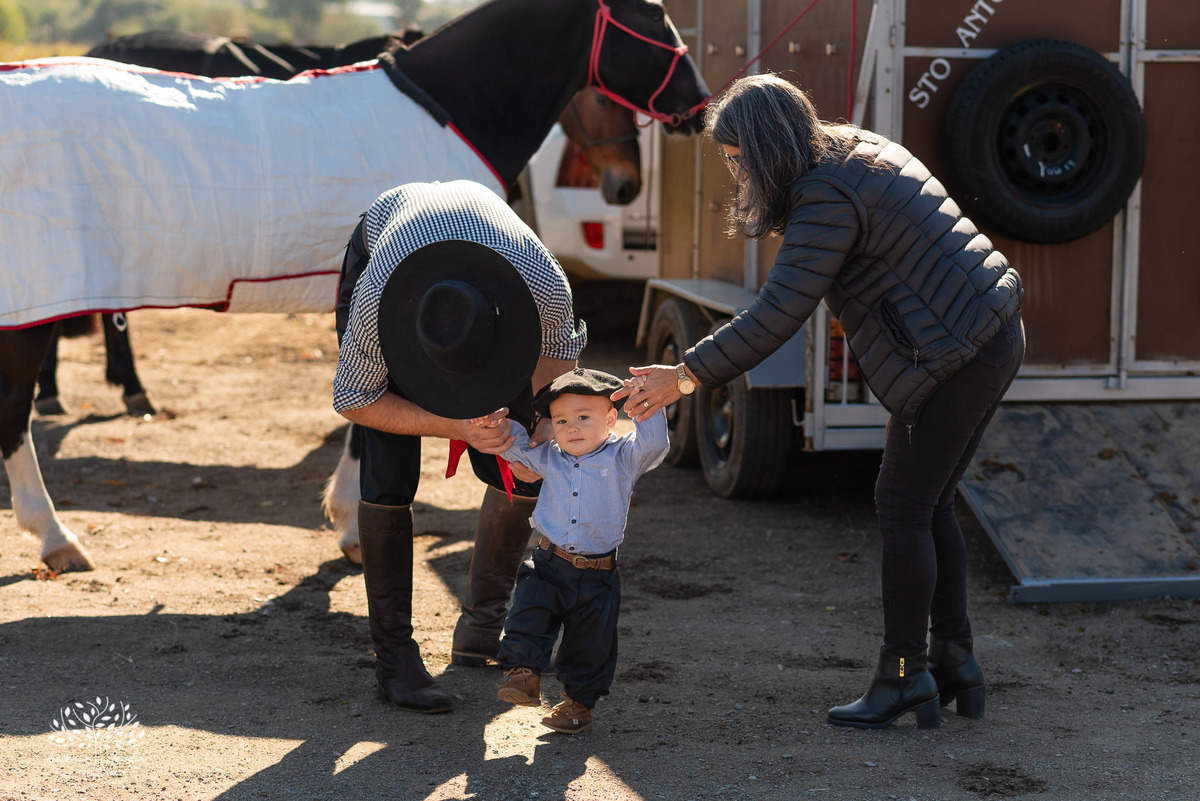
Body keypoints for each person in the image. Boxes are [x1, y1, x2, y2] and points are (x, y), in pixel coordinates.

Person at [613, 74, 1024, 730]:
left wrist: (684, 376)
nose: (734, 172)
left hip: (957, 350)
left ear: (766, 146)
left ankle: (903, 674)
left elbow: (778, 314)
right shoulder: (845, 151)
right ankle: (953, 660)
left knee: (903, 503)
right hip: (988, 330)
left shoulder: (823, 195)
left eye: (736, 157)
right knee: (931, 500)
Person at [333, 179, 586, 714]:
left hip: (486, 266)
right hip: (386, 250)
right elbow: (355, 399)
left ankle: (481, 626)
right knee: (388, 467)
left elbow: (560, 365)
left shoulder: (542, 284)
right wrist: (454, 426)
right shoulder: (378, 303)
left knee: (521, 461)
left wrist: (542, 428)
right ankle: (394, 661)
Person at [493, 368, 668, 734]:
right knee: (528, 615)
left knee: (591, 645)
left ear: (610, 420)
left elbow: (654, 446)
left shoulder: (622, 456)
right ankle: (523, 676)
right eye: (561, 420)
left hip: (598, 575)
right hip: (548, 563)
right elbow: (516, 446)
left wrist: (645, 403)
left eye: (583, 418)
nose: (571, 427)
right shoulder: (550, 456)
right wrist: (493, 423)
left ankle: (577, 707)